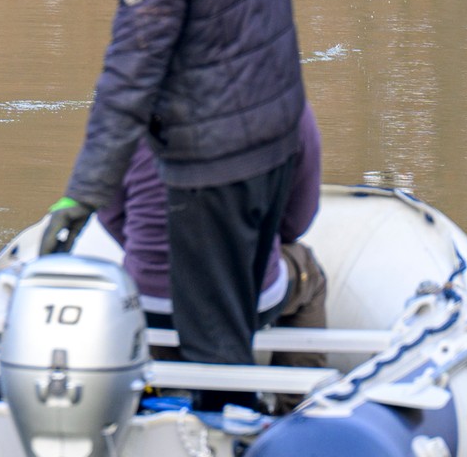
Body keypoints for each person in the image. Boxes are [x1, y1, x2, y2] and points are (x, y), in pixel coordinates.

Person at [39, 0, 306, 394]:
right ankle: (245, 416)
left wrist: (80, 198)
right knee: (235, 322)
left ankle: (226, 437)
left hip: (213, 174)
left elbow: (126, 84)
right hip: (275, 148)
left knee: (212, 346)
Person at [81, 101, 324, 359]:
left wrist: (154, 253)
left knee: (160, 300)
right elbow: (295, 222)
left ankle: (166, 373)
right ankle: (299, 385)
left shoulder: (122, 99)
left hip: (150, 301)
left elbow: (109, 211)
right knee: (307, 271)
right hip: (250, 299)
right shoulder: (284, 98)